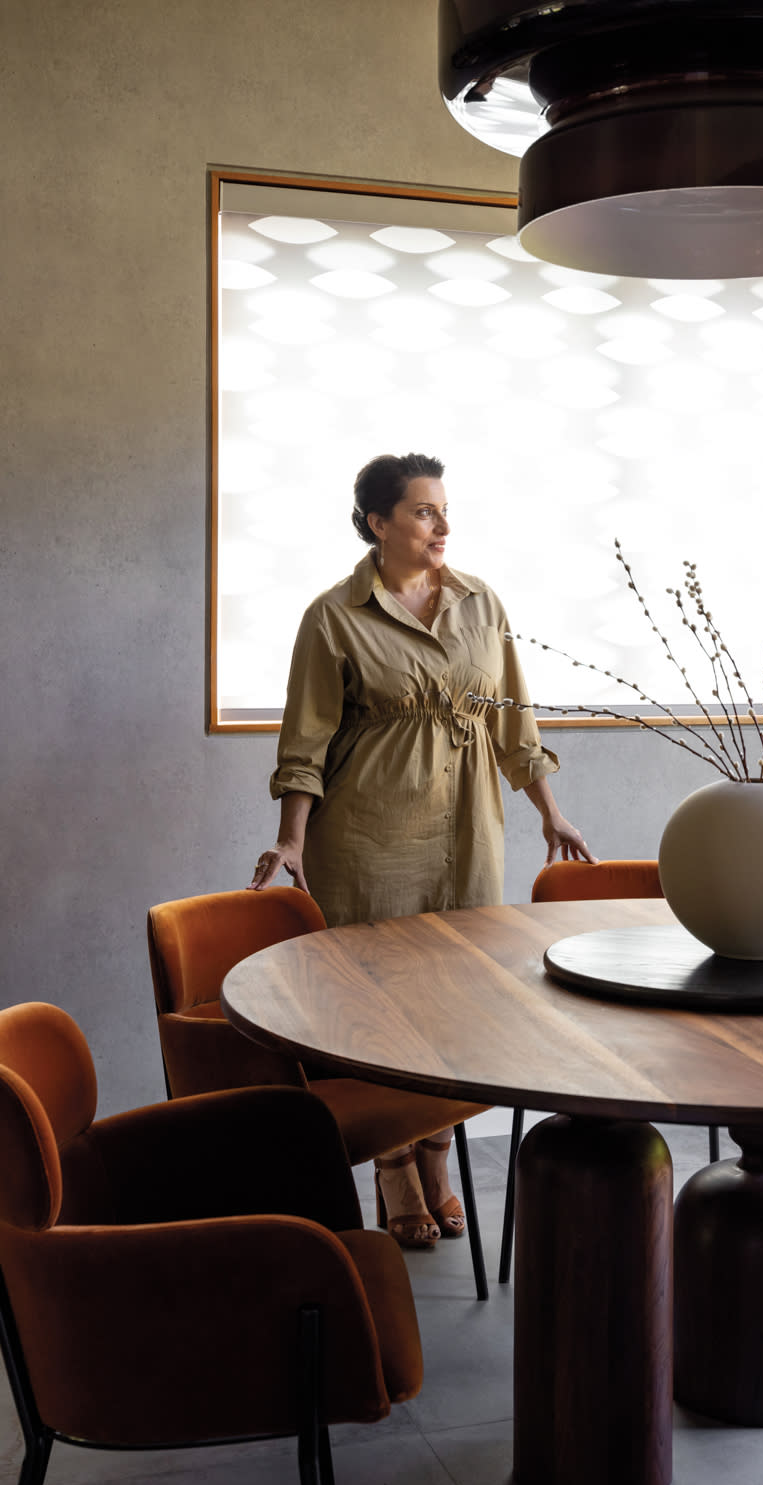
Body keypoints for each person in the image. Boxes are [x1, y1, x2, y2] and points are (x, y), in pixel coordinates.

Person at [249, 451, 595, 1247]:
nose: (442, 525)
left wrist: (550, 812)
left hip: (466, 834)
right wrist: (290, 840)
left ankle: (439, 1157)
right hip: (369, 836)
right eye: (422, 512)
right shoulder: (333, 616)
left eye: (443, 510)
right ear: (377, 522)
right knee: (378, 1007)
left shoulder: (480, 603)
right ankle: (394, 1169)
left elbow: (514, 720)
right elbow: (304, 739)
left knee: (458, 999)